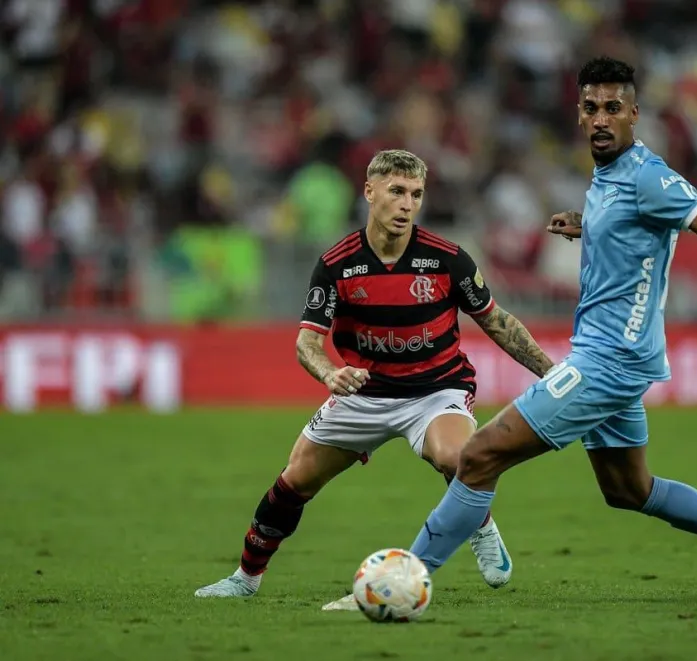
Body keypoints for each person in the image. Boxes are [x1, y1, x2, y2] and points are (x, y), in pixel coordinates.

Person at [406, 57, 697, 601]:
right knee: (628, 488)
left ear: (635, 113)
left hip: (610, 362)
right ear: (580, 116)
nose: (602, 118)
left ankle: (405, 580)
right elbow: (630, 225)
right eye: (591, 108)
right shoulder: (607, 176)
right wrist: (587, 226)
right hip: (611, 355)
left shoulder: (650, 176)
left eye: (613, 108)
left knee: (479, 454)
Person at [194, 149, 555, 606]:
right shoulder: (338, 264)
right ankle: (245, 578)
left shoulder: (446, 259)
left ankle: (481, 526)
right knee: (294, 481)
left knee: (459, 458)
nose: (407, 204)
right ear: (370, 192)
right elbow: (307, 342)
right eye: (397, 192)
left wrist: (555, 374)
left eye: (417, 194)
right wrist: (329, 372)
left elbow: (498, 322)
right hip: (363, 393)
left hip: (435, 390)